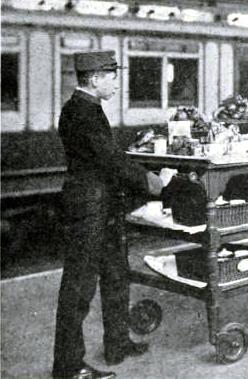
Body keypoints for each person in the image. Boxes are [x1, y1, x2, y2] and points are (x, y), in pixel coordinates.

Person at [53, 51, 175, 379]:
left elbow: (109, 159)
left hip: (102, 206)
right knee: (79, 289)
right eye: (112, 76)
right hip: (89, 208)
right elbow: (111, 161)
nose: (116, 83)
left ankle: (117, 343)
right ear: (94, 79)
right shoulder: (83, 113)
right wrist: (155, 182)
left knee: (116, 276)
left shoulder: (86, 109)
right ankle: (68, 368)